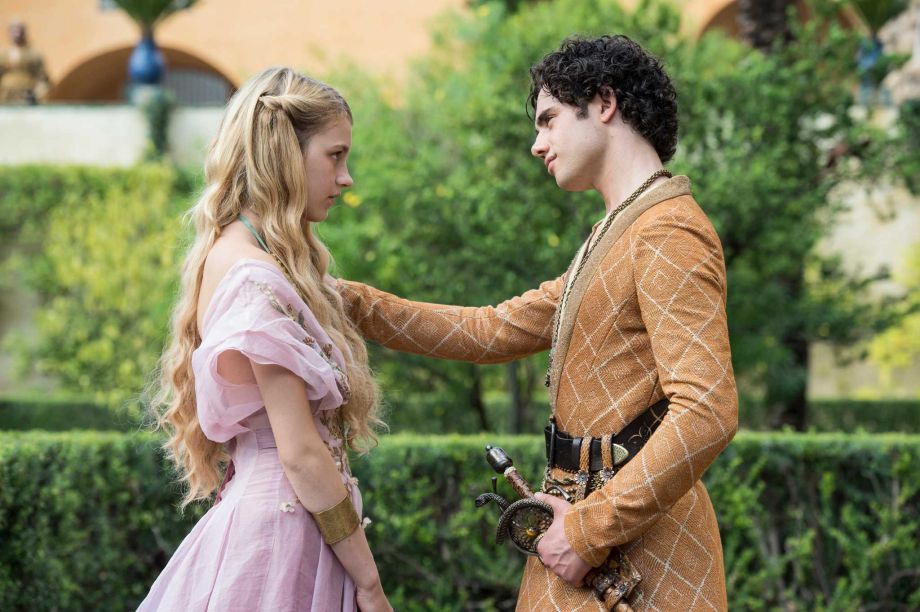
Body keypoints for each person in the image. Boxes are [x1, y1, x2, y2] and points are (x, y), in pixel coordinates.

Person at [339, 35, 738, 610]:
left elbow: (707, 409)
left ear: (604, 103)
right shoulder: (619, 231)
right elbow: (492, 330)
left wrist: (588, 531)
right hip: (584, 529)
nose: (537, 143)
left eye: (549, 120)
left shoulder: (667, 230)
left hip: (638, 556)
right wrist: (342, 301)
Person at [140, 67, 391, 611]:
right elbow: (300, 454)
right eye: (335, 156)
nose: (346, 177)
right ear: (283, 153)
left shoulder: (238, 255)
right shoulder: (256, 277)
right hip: (282, 535)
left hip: (283, 525)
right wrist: (370, 583)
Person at [0, 19, 50, 104]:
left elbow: (43, 79)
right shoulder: (3, 54)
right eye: (13, 31)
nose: (17, 34)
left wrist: (36, 94)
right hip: (5, 96)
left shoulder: (33, 54)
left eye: (19, 30)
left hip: (26, 95)